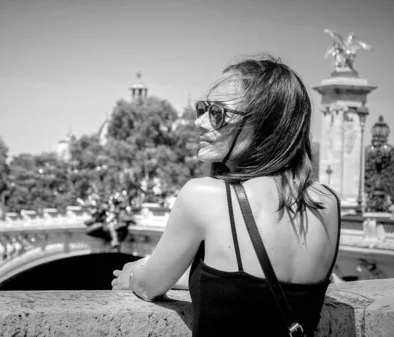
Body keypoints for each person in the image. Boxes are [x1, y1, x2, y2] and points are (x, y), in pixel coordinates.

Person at [111, 55, 340, 336]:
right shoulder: (327, 203)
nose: (200, 122)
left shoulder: (204, 196)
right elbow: (251, 288)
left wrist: (133, 274)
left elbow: (148, 287)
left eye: (217, 113)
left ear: (265, 125)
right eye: (202, 109)